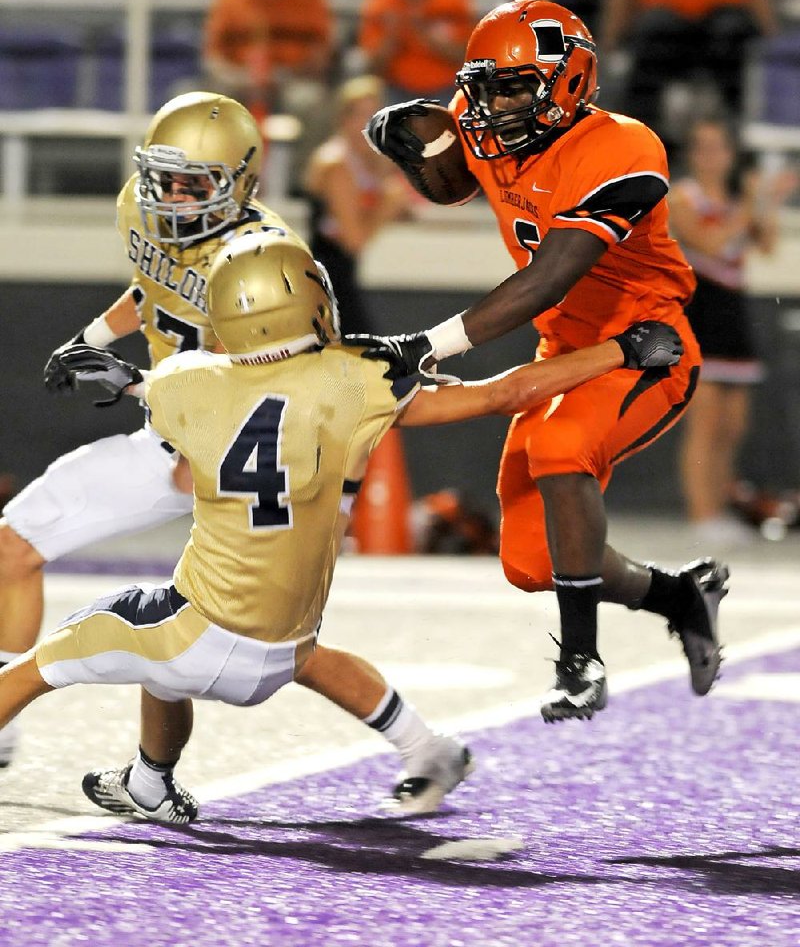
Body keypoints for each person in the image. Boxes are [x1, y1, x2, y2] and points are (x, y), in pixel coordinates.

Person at [0, 231, 682, 823]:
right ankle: (417, 748)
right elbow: (507, 393)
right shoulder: (359, 383)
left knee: (49, 661)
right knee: (207, 649)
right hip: (282, 645)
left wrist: (131, 383)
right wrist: (620, 351)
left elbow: (184, 471)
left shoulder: (185, 382)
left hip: (197, 631)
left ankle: (150, 778)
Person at [0, 90, 460, 815]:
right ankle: (47, 735)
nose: (174, 200)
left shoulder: (267, 258)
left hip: (239, 445)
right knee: (21, 548)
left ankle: (422, 745)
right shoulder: (142, 207)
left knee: (259, 636)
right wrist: (98, 335)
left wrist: (336, 494)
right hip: (169, 430)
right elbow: (153, 284)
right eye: (164, 180)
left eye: (195, 185)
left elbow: (314, 375)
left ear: (241, 180)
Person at [357, 0, 730, 723]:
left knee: (561, 450)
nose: (489, 106)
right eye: (483, 86)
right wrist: (409, 143)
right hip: (563, 349)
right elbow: (452, 181)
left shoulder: (623, 147)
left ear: (568, 81)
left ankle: (580, 663)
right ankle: (679, 595)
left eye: (512, 87)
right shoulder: (483, 118)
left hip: (644, 345)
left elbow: (550, 275)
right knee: (534, 563)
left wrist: (427, 344)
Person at [670, 117, 796, 548]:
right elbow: (710, 244)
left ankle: (722, 509)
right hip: (699, 311)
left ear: (729, 153)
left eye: (718, 147)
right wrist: (752, 203)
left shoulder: (737, 199)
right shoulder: (682, 198)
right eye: (702, 147)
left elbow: (765, 245)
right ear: (692, 154)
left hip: (735, 313)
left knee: (732, 424)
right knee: (704, 423)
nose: (711, 156)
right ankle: (701, 514)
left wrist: (770, 202)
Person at [599, 0, 777, 145]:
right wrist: (609, 43)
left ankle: (737, 140)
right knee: (654, 32)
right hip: (664, 25)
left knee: (732, 31)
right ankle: (640, 142)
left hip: (722, 27)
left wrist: (774, 41)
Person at [202, 0, 335, 188]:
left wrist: (282, 75)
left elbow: (322, 53)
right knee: (210, 102)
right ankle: (218, 182)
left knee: (311, 101)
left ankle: (303, 186)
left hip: (293, 80)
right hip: (240, 82)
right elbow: (214, 58)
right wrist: (242, 78)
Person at [303, 74, 413, 335]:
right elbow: (353, 240)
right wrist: (387, 205)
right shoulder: (336, 164)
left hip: (344, 273)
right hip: (326, 276)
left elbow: (402, 209)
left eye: (377, 116)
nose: (370, 125)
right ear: (344, 119)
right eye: (362, 116)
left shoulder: (369, 161)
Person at [356, 0, 476, 106]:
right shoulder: (381, 3)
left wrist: (426, 34)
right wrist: (393, 36)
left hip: (448, 88)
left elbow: (468, 57)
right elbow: (372, 68)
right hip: (396, 90)